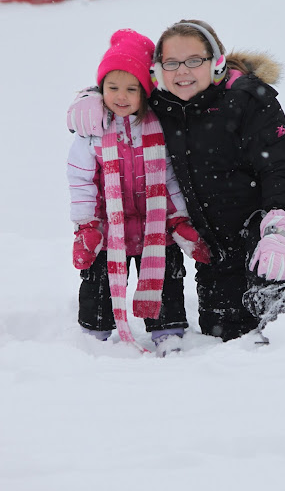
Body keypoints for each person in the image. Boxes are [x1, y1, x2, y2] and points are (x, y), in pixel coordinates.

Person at [67, 20, 285, 343]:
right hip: (214, 240)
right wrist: (91, 97)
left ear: (215, 61)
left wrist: (278, 229)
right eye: (172, 63)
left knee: (273, 290)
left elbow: (281, 166)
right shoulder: (161, 105)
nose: (182, 71)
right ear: (158, 70)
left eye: (194, 60)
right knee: (225, 330)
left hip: (266, 220)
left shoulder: (248, 99)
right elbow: (124, 83)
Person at [67, 29, 209, 355]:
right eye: (113, 88)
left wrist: (179, 219)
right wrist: (86, 225)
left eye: (131, 89)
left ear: (145, 92)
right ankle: (95, 334)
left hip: (154, 227)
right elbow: (80, 179)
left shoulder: (158, 126)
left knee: (166, 280)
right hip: (108, 228)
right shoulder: (92, 131)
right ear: (100, 89)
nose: (121, 96)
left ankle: (167, 332)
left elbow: (170, 177)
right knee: (98, 285)